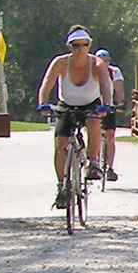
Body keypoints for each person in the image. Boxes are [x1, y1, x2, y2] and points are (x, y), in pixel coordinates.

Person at [36, 26, 113, 210]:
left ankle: (93, 162)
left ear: (89, 46)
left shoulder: (97, 64)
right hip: (67, 104)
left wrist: (107, 105)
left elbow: (105, 85)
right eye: (75, 45)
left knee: (94, 122)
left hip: (91, 103)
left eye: (84, 45)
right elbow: (46, 84)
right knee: (60, 143)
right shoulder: (61, 63)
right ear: (69, 46)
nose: (80, 49)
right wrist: (43, 104)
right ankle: (62, 186)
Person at [95, 48, 125, 181]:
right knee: (92, 132)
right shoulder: (90, 70)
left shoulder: (114, 71)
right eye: (102, 61)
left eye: (107, 61)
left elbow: (119, 89)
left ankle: (110, 168)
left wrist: (121, 102)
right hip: (93, 106)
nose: (105, 63)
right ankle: (93, 161)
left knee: (110, 135)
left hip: (108, 106)